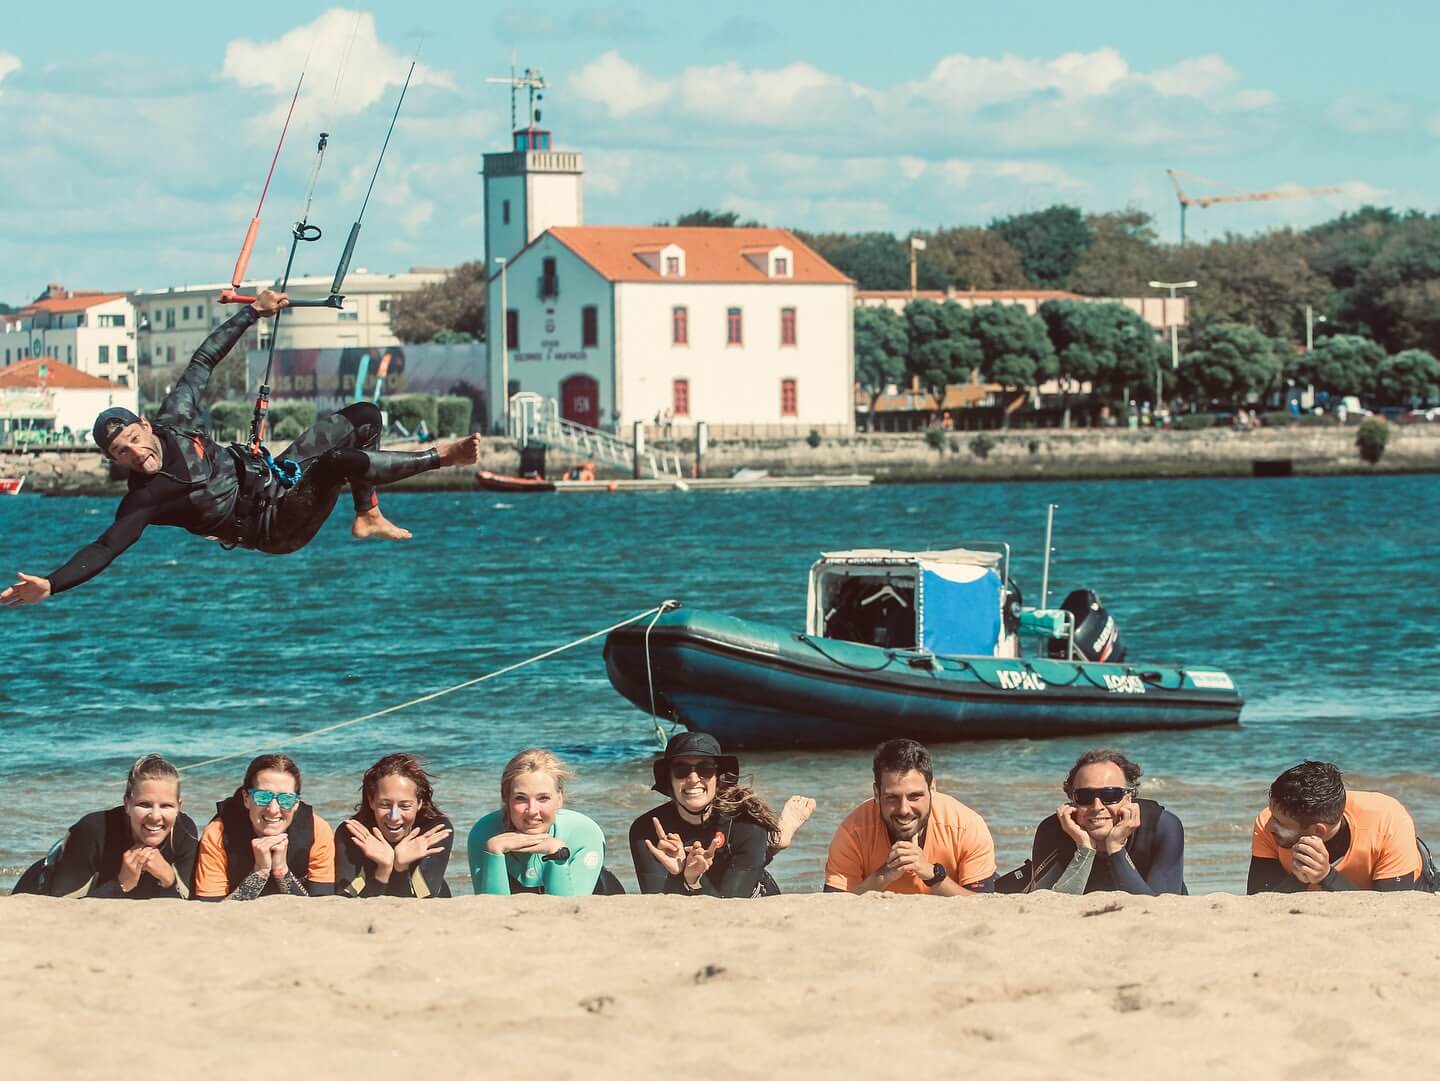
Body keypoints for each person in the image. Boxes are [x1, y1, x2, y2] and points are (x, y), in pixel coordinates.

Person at [1, 288, 483, 608]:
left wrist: (253, 311)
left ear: (145, 426)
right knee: (336, 463)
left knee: (364, 418)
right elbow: (105, 547)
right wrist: (52, 582)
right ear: (114, 462)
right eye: (121, 455)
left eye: (132, 440)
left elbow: (205, 358)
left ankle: (368, 514)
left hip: (277, 475)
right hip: (273, 527)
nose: (134, 454)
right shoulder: (145, 499)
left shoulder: (176, 418)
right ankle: (443, 457)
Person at [628, 731, 815, 898]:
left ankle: (773, 842)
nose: (693, 779)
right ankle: (772, 845)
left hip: (751, 895)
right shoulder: (646, 830)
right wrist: (683, 875)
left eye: (705, 769)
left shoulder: (747, 824)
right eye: (681, 770)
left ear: (718, 778)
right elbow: (655, 904)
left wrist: (694, 878)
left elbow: (731, 905)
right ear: (669, 779)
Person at [824, 738, 995, 895]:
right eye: (892, 797)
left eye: (915, 796)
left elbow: (984, 905)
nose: (904, 809)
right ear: (876, 793)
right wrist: (883, 875)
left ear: (932, 789)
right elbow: (831, 906)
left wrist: (932, 875)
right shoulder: (853, 832)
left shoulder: (965, 826)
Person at [12, 754, 198, 899]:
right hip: (40, 885)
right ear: (127, 804)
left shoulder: (185, 832)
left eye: (166, 806)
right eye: (144, 805)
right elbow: (60, 906)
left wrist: (168, 879)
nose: (155, 816)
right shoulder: (92, 831)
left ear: (179, 807)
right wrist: (121, 883)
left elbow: (188, 907)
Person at [1025, 750, 1185, 895]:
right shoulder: (1052, 830)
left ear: (1129, 798)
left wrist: (1116, 848)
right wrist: (1085, 850)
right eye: (1085, 796)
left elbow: (1158, 908)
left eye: (1110, 795)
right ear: (1072, 800)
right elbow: (1048, 904)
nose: (1097, 807)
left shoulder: (1162, 827)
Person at [1248, 760, 1423, 893]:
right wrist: (1301, 877)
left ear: (1318, 830)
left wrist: (1327, 876)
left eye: (1280, 823)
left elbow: (1390, 909)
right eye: (1272, 815)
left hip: (1415, 886)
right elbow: (1260, 901)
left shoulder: (1387, 822)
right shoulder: (1268, 822)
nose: (1270, 825)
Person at [467, 748, 615, 896]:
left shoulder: (584, 832)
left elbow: (567, 910)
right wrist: (494, 852)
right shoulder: (484, 833)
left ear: (560, 798)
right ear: (506, 798)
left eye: (543, 798)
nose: (532, 810)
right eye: (520, 798)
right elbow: (492, 911)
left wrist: (557, 854)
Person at [192, 753, 335, 900]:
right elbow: (210, 911)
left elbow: (321, 905)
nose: (273, 809)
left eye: (285, 799)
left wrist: (281, 872)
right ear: (246, 799)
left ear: (296, 804)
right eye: (263, 797)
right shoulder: (218, 833)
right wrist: (260, 872)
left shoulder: (317, 830)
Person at [336, 753, 454, 899]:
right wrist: (383, 870)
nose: (394, 816)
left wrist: (401, 867)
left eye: (405, 806)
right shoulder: (353, 833)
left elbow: (425, 900)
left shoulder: (435, 830)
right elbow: (345, 902)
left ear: (419, 803)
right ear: (371, 800)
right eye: (385, 804)